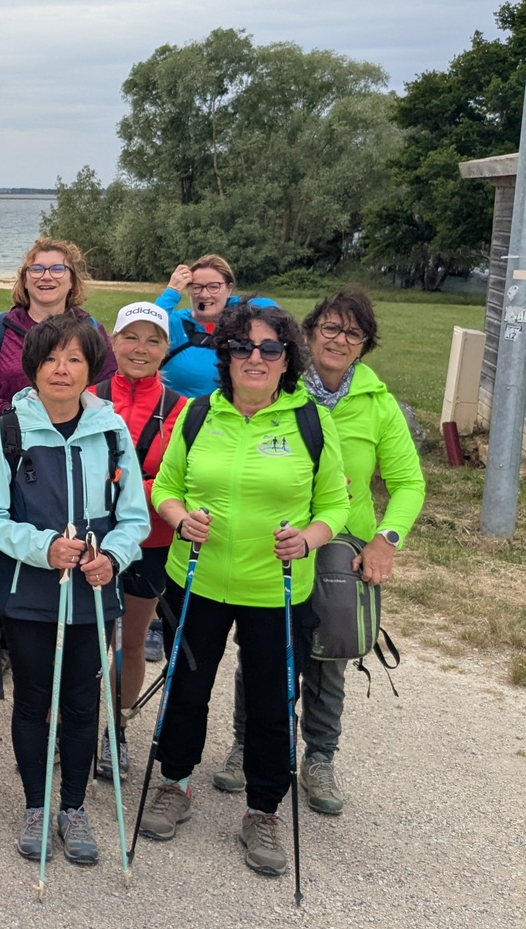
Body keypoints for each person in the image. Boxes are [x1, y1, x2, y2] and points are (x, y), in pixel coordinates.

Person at [141, 299, 350, 878]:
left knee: (271, 702)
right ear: (226, 356)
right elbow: (166, 486)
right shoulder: (198, 414)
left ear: (287, 358)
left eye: (269, 348)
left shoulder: (311, 420)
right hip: (198, 577)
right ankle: (175, 783)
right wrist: (179, 517)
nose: (254, 358)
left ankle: (263, 810)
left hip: (275, 588)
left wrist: (308, 539)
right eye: (241, 346)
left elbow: (336, 504)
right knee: (186, 688)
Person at [214, 288, 425, 814]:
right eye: (330, 327)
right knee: (263, 650)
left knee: (329, 655)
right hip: (274, 539)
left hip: (339, 546)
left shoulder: (378, 405)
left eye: (353, 333)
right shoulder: (279, 387)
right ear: (308, 334)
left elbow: (408, 483)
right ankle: (247, 744)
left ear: (364, 345)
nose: (339, 340)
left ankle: (320, 756)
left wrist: (386, 539)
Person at [0, 315, 149, 867]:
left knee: (80, 702)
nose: (61, 370)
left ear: (91, 369)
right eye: (50, 359)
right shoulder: (8, 431)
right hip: (28, 592)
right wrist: (43, 547)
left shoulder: (111, 431)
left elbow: (134, 517)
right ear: (33, 367)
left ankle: (72, 807)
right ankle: (35, 806)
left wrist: (113, 557)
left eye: (74, 359)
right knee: (32, 700)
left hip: (93, 594)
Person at [0, 237, 116, 690]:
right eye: (37, 269)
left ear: (72, 279)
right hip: (15, 453)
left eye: (57, 269)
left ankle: (70, 640)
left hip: (74, 449)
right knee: (4, 542)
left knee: (73, 536)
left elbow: (106, 388)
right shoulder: (1, 328)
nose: (46, 276)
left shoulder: (91, 330)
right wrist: (10, 420)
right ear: (25, 278)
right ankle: (1, 640)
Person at [87, 303, 186, 781]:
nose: (140, 349)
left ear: (166, 349)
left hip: (150, 539)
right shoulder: (88, 397)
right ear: (113, 342)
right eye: (130, 337)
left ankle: (117, 730)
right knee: (87, 637)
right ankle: (71, 725)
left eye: (152, 340)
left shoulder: (182, 410)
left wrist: (125, 488)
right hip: (92, 537)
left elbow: (180, 481)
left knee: (129, 641)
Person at [154, 254, 276, 398]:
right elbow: (147, 321)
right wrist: (172, 291)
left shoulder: (240, 323)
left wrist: (227, 305)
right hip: (182, 411)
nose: (204, 295)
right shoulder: (176, 323)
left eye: (214, 287)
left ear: (229, 289)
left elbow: (271, 310)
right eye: (197, 287)